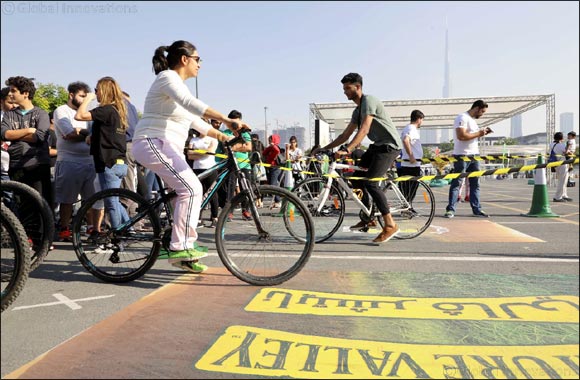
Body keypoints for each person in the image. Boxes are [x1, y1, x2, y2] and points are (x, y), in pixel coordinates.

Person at [131, 40, 250, 273]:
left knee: (182, 196)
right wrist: (227, 119)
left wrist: (227, 137)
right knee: (192, 188)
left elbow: (198, 123)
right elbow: (191, 104)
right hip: (151, 142)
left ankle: (179, 250)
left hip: (166, 147)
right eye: (198, 59)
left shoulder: (178, 88)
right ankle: (180, 246)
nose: (200, 65)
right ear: (185, 59)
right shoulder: (167, 78)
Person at [313, 72, 402, 243]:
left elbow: (364, 130)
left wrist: (348, 150)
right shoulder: (357, 111)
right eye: (344, 88)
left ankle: (390, 225)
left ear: (358, 87)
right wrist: (324, 148)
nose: (345, 92)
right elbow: (345, 135)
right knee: (356, 179)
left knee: (371, 183)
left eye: (347, 88)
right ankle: (369, 217)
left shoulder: (369, 101)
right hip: (376, 146)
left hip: (389, 146)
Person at [75, 76, 130, 235]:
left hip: (108, 162)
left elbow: (79, 116)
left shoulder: (106, 110)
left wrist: (87, 100)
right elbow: (110, 134)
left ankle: (117, 237)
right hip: (118, 162)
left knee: (111, 201)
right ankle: (129, 230)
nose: (95, 93)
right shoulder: (118, 111)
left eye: (96, 90)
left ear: (103, 91)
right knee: (114, 200)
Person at [53, 81, 100, 241]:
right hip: (69, 162)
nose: (84, 100)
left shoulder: (88, 114)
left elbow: (95, 136)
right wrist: (86, 134)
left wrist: (82, 131)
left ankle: (93, 230)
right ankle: (64, 229)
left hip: (90, 162)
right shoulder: (61, 111)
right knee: (67, 199)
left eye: (86, 97)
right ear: (71, 95)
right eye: (81, 96)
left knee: (92, 199)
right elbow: (69, 134)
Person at [1, 76, 53, 208]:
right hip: (16, 165)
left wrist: (15, 134)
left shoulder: (41, 114)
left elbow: (40, 136)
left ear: (25, 94)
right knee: (21, 206)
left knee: (41, 206)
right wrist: (29, 130)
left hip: (37, 165)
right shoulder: (9, 114)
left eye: (14, 91)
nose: (10, 94)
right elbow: (4, 134)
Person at [444, 100, 492, 218]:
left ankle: (477, 209)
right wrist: (479, 134)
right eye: (482, 111)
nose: (482, 114)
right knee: (457, 183)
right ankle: (451, 209)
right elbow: (461, 136)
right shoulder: (462, 117)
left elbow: (471, 136)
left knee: (475, 184)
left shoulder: (473, 121)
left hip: (474, 155)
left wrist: (482, 133)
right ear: (476, 108)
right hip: (462, 155)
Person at [215, 110, 253, 221]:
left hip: (245, 165)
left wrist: (234, 146)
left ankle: (245, 210)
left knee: (246, 189)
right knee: (230, 190)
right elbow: (226, 148)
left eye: (238, 122)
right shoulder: (226, 133)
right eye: (233, 122)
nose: (236, 125)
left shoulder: (245, 133)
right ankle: (229, 212)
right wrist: (241, 145)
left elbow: (249, 147)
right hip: (231, 165)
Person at [187, 128, 219, 227]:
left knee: (212, 192)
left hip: (210, 168)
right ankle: (198, 217)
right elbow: (189, 156)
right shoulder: (193, 140)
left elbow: (211, 152)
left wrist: (196, 152)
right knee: (198, 193)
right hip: (197, 168)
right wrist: (204, 152)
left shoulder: (213, 139)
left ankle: (215, 217)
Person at [397, 110, 424, 203]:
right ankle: (407, 208)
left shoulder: (407, 128)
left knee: (407, 189)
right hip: (411, 165)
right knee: (411, 189)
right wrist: (411, 156)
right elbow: (406, 140)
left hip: (408, 164)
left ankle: (407, 207)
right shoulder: (411, 129)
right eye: (422, 119)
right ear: (419, 119)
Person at [262, 134, 283, 207]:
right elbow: (264, 153)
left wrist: (273, 145)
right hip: (269, 168)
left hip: (275, 168)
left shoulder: (276, 148)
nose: (269, 141)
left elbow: (277, 151)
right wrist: (270, 147)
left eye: (270, 139)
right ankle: (277, 200)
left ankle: (278, 201)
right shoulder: (270, 148)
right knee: (272, 184)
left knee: (273, 185)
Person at [550, 132, 572, 202]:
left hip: (556, 164)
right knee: (562, 181)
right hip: (562, 164)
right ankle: (557, 197)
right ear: (562, 138)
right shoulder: (562, 145)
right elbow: (568, 153)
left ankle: (564, 195)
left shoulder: (551, 144)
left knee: (562, 180)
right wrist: (568, 146)